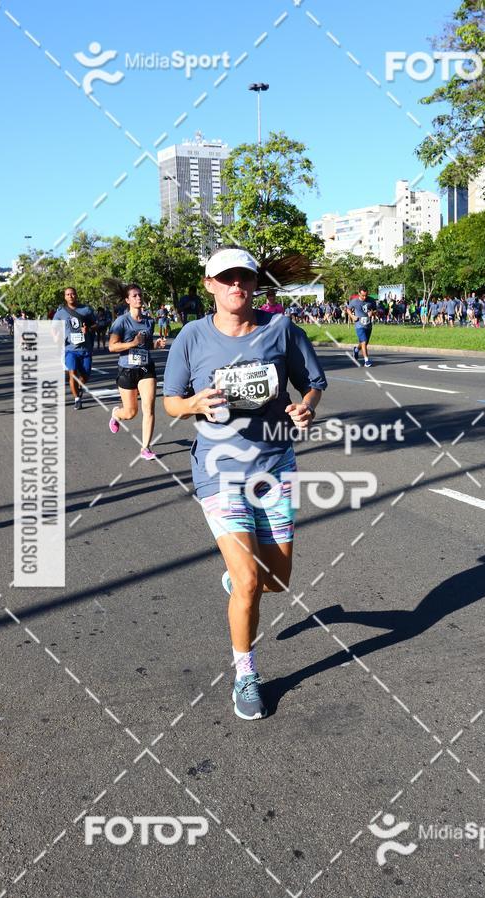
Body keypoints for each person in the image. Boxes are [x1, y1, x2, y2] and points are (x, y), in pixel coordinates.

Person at [162, 246, 326, 721]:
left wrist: (305, 408)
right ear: (210, 285)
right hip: (219, 471)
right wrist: (194, 404)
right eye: (226, 278)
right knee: (252, 582)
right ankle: (245, 674)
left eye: (245, 278)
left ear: (256, 284)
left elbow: (313, 384)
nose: (237, 285)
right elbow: (172, 401)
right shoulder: (192, 336)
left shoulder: (281, 329)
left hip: (275, 465)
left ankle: (238, 580)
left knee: (275, 581)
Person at [107, 283, 166, 460]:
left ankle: (145, 448)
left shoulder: (149, 321)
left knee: (149, 408)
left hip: (146, 368)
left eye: (140, 295)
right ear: (127, 300)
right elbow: (112, 346)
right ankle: (116, 414)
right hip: (127, 370)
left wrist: (156, 345)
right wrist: (132, 343)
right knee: (130, 412)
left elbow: (146, 346)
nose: (139, 298)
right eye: (134, 296)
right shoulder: (121, 321)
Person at [53, 287, 97, 410]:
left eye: (72, 294)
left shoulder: (86, 310)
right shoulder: (60, 312)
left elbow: (95, 324)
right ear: (65, 297)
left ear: (76, 295)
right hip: (70, 349)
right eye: (68, 294)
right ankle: (77, 399)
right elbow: (54, 327)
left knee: (85, 375)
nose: (70, 296)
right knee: (72, 374)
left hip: (85, 349)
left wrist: (89, 329)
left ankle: (79, 386)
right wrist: (56, 337)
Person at [347, 287, 377, 367]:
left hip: (368, 325)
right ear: (359, 293)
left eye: (366, 295)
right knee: (364, 341)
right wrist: (352, 316)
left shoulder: (371, 300)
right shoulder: (354, 301)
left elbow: (376, 310)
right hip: (359, 325)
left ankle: (356, 350)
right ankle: (366, 361)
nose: (364, 297)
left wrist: (373, 313)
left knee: (364, 343)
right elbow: (348, 309)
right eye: (363, 295)